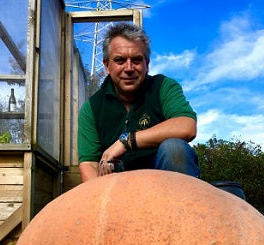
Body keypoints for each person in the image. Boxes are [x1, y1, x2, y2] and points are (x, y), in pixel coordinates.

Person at [77, 23, 200, 181]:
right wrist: (100, 201)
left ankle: (181, 205)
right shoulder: (92, 108)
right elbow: (89, 163)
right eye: (120, 60)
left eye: (136, 60)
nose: (128, 68)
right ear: (107, 66)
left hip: (165, 182)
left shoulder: (163, 87)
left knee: (175, 148)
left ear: (146, 64)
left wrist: (126, 141)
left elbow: (186, 126)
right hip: (117, 188)